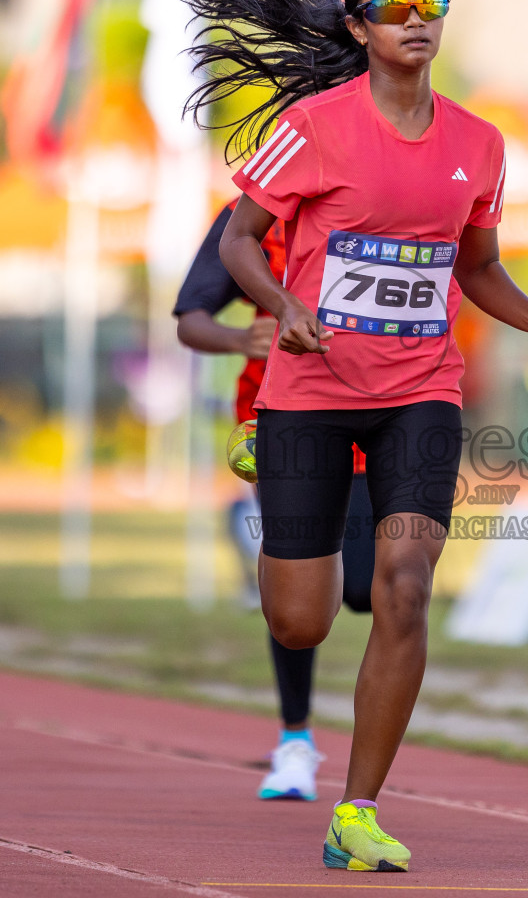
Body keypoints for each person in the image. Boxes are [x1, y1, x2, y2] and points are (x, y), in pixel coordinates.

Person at [188, 0, 528, 872]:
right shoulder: (312, 128)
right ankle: (292, 572)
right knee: (302, 622)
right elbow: (243, 241)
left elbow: (477, 268)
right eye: (392, 4)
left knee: (406, 584)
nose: (415, 15)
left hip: (420, 392)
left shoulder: (481, 145)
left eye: (429, 0)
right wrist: (284, 306)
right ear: (359, 27)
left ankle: (356, 810)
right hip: (308, 395)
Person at [173, 201, 376, 803]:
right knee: (294, 592)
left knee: (363, 587)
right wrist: (244, 336)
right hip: (279, 419)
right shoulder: (250, 212)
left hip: (374, 419)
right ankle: (295, 740)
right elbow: (190, 319)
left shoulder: (383, 201)